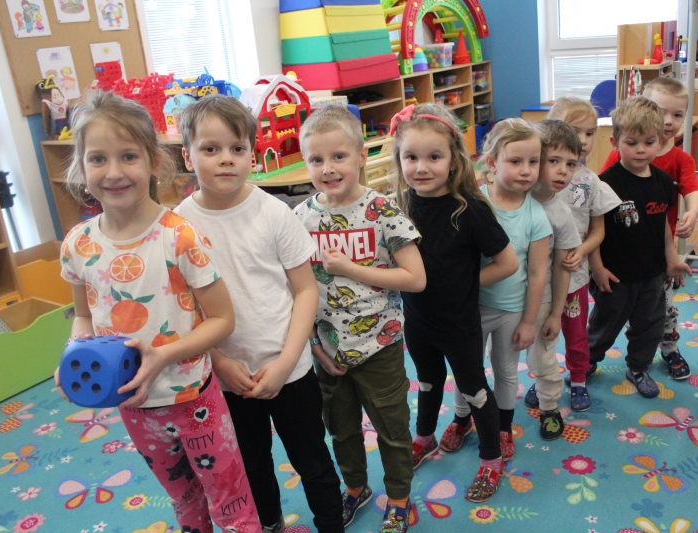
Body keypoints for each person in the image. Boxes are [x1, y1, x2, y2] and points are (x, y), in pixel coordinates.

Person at [55, 91, 261, 533]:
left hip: (193, 399)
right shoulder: (78, 245)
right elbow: (84, 317)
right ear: (81, 167)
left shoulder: (180, 237)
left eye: (128, 156)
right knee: (183, 500)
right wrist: (75, 352)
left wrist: (163, 355)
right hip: (133, 403)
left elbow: (222, 319)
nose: (113, 172)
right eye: (98, 159)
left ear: (153, 161)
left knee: (230, 501)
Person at [174, 95, 344, 533]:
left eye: (237, 148)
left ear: (253, 154)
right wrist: (219, 361)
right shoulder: (177, 226)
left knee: (313, 460)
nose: (225, 159)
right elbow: (181, 308)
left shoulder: (274, 212)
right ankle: (268, 524)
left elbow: (305, 290)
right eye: (210, 149)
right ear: (187, 156)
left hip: (290, 369)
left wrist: (287, 361)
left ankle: (331, 524)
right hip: (225, 378)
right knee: (249, 465)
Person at [294, 106, 426, 533]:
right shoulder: (299, 218)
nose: (328, 169)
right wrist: (315, 345)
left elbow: (416, 278)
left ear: (361, 156)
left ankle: (399, 497)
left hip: (379, 346)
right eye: (316, 159)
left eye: (339, 156)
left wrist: (351, 269)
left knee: (392, 428)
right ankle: (356, 488)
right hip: (327, 350)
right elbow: (294, 288)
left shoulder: (383, 210)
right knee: (341, 429)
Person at [391, 104, 519, 503]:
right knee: (427, 382)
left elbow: (508, 263)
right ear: (399, 159)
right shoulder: (399, 205)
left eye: (434, 157)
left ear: (453, 159)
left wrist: (462, 284)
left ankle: (491, 459)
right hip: (417, 322)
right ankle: (424, 438)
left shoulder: (470, 208)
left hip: (459, 325)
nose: (421, 167)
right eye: (411, 157)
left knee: (474, 390)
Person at [443, 118, 552, 459]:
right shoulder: (472, 202)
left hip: (511, 310)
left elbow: (538, 273)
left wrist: (529, 321)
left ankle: (503, 427)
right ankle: (462, 419)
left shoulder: (536, 216)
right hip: (470, 307)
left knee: (505, 371)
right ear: (491, 163)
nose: (526, 170)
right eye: (516, 161)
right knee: (468, 370)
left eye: (533, 162)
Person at [588, 97, 692, 398]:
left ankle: (637, 368)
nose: (641, 150)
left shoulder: (663, 182)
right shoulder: (605, 183)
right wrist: (597, 268)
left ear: (661, 142)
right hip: (615, 276)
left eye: (649, 142)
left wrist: (671, 260)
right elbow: (593, 230)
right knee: (604, 325)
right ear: (615, 142)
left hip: (652, 275)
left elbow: (664, 226)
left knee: (650, 326)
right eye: (632, 143)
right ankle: (585, 362)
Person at [525, 97, 621, 411]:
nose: (582, 141)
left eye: (589, 133)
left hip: (574, 278)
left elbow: (598, 231)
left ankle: (578, 379)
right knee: (542, 334)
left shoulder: (590, 181)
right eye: (574, 130)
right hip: (538, 281)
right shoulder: (531, 181)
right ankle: (544, 378)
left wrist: (582, 251)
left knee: (576, 334)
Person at [524, 120, 585, 439]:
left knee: (543, 359)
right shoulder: (509, 200)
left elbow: (564, 268)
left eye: (571, 164)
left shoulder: (560, 213)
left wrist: (556, 313)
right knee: (497, 358)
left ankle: (549, 407)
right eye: (554, 161)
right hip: (500, 300)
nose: (563, 171)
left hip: (543, 299)